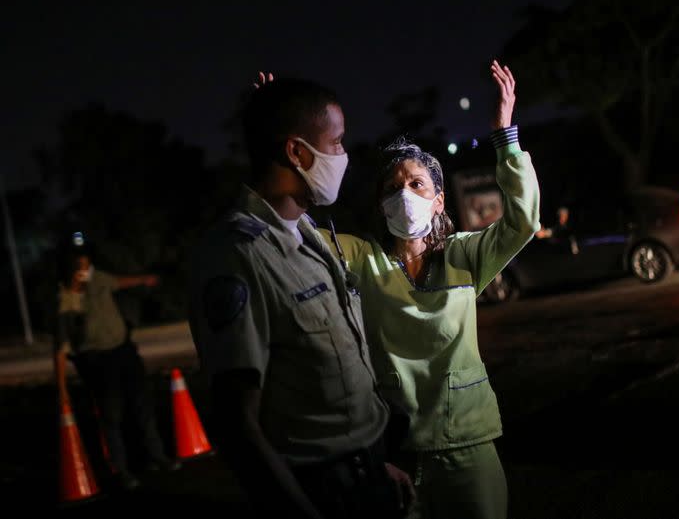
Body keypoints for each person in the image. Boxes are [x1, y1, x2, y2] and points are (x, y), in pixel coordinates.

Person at [319, 61, 540, 519]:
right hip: (397, 451)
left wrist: (505, 136)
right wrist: (286, 148)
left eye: (417, 184)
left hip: (468, 444)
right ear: (381, 205)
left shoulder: (462, 255)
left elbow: (523, 222)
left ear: (438, 199)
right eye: (393, 187)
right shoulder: (363, 258)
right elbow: (294, 235)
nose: (405, 194)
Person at [188, 75, 414, 519]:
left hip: (365, 475)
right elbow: (238, 424)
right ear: (296, 152)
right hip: (319, 493)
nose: (343, 156)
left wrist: (374, 465)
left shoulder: (308, 233)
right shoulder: (237, 255)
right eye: (336, 142)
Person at [54, 235, 181, 492]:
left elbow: (117, 281)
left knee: (141, 404)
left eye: (85, 261)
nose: (83, 267)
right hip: (97, 360)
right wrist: (62, 389)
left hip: (122, 351)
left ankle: (157, 457)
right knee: (111, 415)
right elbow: (59, 348)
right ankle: (121, 470)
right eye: (78, 263)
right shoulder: (64, 299)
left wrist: (144, 279)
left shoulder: (98, 278)